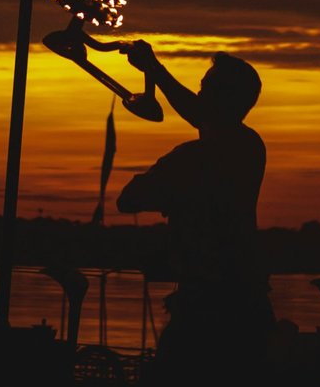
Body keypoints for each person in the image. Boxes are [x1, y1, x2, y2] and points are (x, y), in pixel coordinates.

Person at [117, 44, 273, 385]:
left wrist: (156, 71)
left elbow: (128, 199)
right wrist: (154, 70)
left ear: (222, 99)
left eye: (206, 88)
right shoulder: (250, 146)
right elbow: (201, 114)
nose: (198, 94)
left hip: (209, 309)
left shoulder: (192, 158)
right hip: (245, 305)